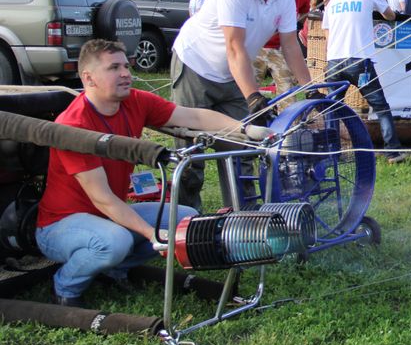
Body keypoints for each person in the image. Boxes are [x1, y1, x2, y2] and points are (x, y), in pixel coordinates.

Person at [35, 40, 272, 307]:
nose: (125, 73)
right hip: (60, 225)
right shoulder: (73, 125)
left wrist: (245, 129)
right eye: (114, 68)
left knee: (184, 218)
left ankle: (113, 270)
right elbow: (103, 199)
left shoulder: (134, 101)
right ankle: (65, 287)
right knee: (116, 241)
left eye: (126, 66)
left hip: (106, 216)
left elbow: (193, 117)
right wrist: (152, 234)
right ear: (88, 78)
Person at [170, 0, 311, 210]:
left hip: (234, 72)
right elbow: (234, 47)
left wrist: (311, 88)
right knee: (190, 146)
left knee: (242, 145)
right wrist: (254, 97)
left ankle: (243, 216)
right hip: (196, 65)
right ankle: (185, 216)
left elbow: (291, 44)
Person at [323, 0, 405, 164]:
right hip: (359, 60)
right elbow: (389, 15)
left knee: (332, 108)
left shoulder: (333, 1)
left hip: (333, 60)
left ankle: (332, 153)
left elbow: (326, 31)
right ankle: (393, 151)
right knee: (380, 106)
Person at [253, 0, 311, 106]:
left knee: (288, 94)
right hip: (257, 46)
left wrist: (297, 20)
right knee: (247, 92)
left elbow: (304, 13)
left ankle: (287, 120)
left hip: (281, 48)